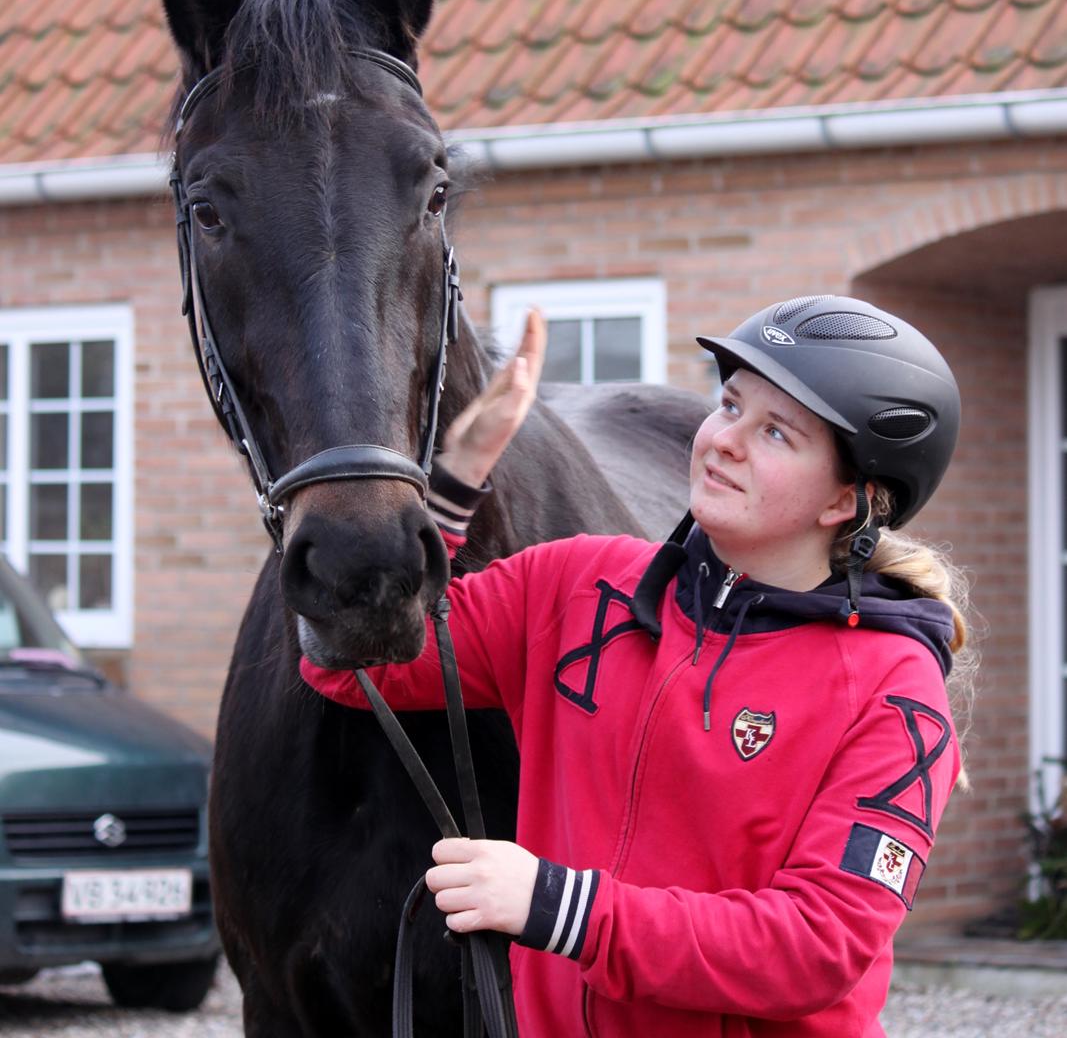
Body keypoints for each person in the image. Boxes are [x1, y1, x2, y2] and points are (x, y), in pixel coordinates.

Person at [301, 294, 970, 1037]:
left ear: (850, 499)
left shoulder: (893, 691)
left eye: (775, 432)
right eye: (729, 406)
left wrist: (556, 906)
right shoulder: (574, 584)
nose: (724, 441)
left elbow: (816, 947)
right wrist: (455, 480)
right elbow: (355, 667)